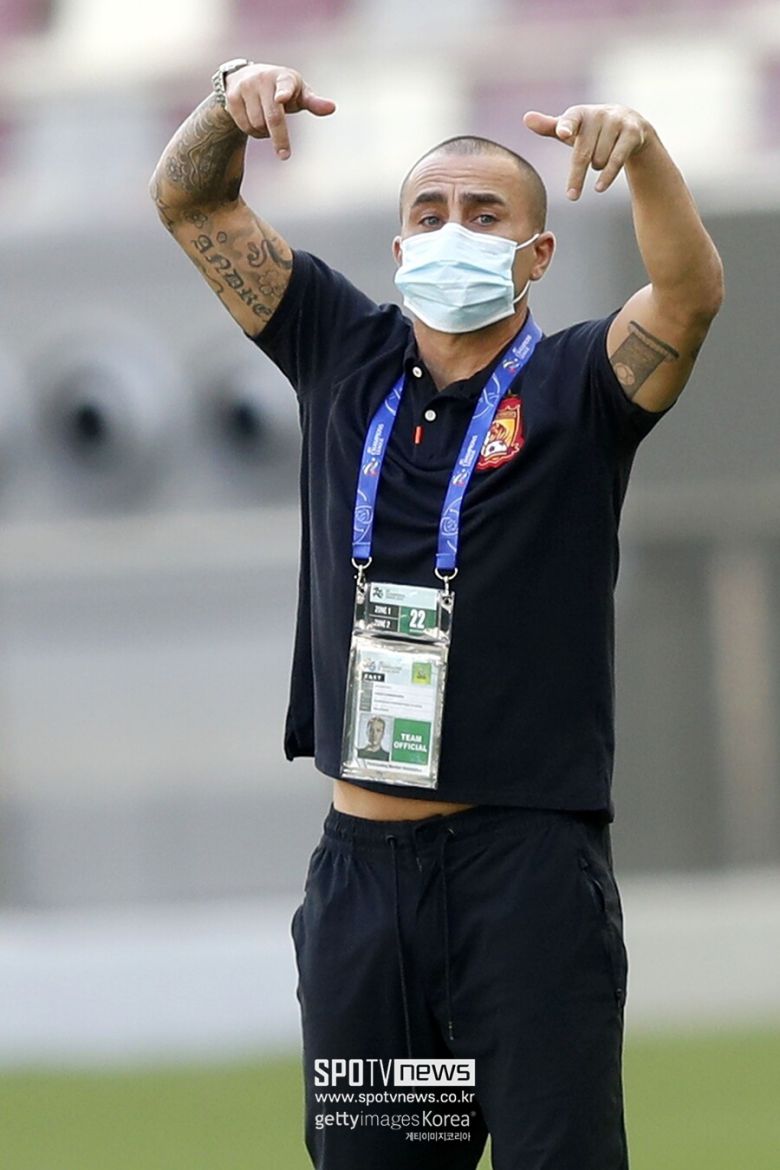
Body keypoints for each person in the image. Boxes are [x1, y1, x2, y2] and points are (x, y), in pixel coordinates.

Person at [151, 61, 723, 1170]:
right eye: (430, 212)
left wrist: (647, 155)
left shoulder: (578, 386)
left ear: (537, 254)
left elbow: (689, 297)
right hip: (366, 885)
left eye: (485, 213)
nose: (452, 229)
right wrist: (229, 101)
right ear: (400, 245)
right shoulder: (340, 348)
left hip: (527, 880)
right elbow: (189, 200)